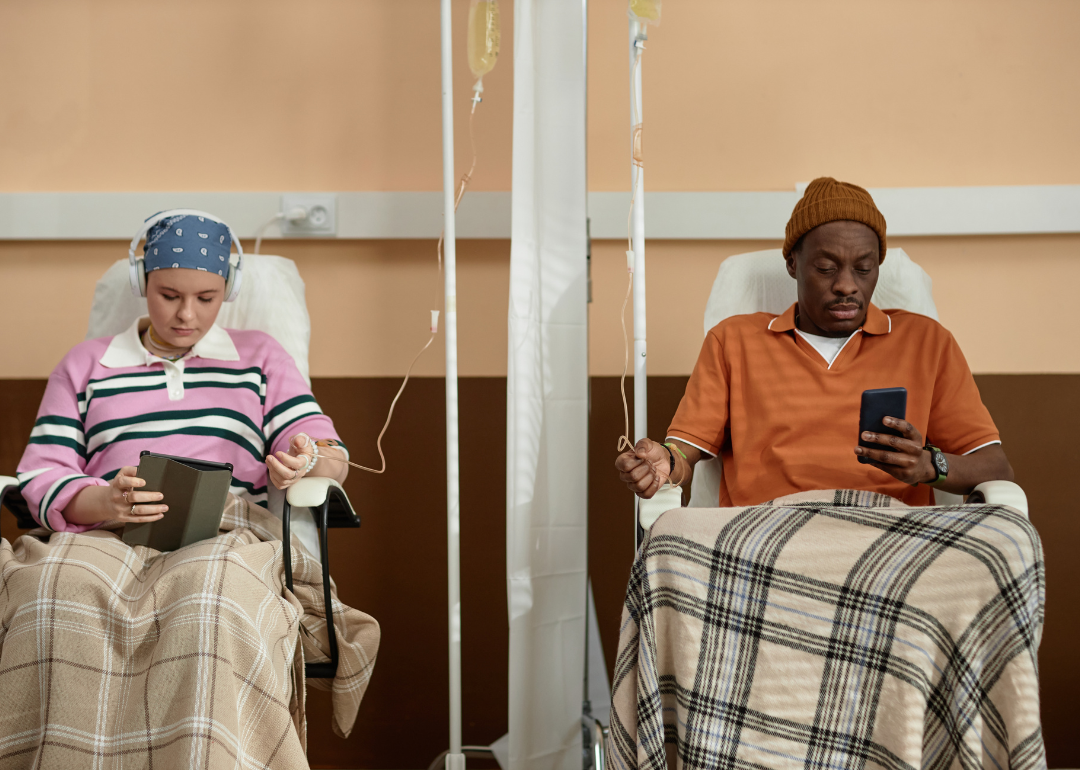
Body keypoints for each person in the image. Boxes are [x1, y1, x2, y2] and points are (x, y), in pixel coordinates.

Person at [616, 177, 1014, 507]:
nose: (846, 286)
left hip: (889, 538)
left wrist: (930, 466)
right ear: (793, 264)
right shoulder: (733, 341)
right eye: (825, 268)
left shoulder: (927, 342)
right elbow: (687, 452)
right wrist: (664, 462)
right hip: (764, 539)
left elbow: (996, 467)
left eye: (863, 268)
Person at [17, 211, 349, 531]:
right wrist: (107, 502)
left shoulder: (262, 358)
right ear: (141, 283)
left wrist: (307, 461)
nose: (186, 315)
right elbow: (43, 476)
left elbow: (332, 454)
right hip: (107, 537)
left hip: (227, 536)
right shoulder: (83, 365)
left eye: (206, 298)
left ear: (228, 291)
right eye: (170, 296)